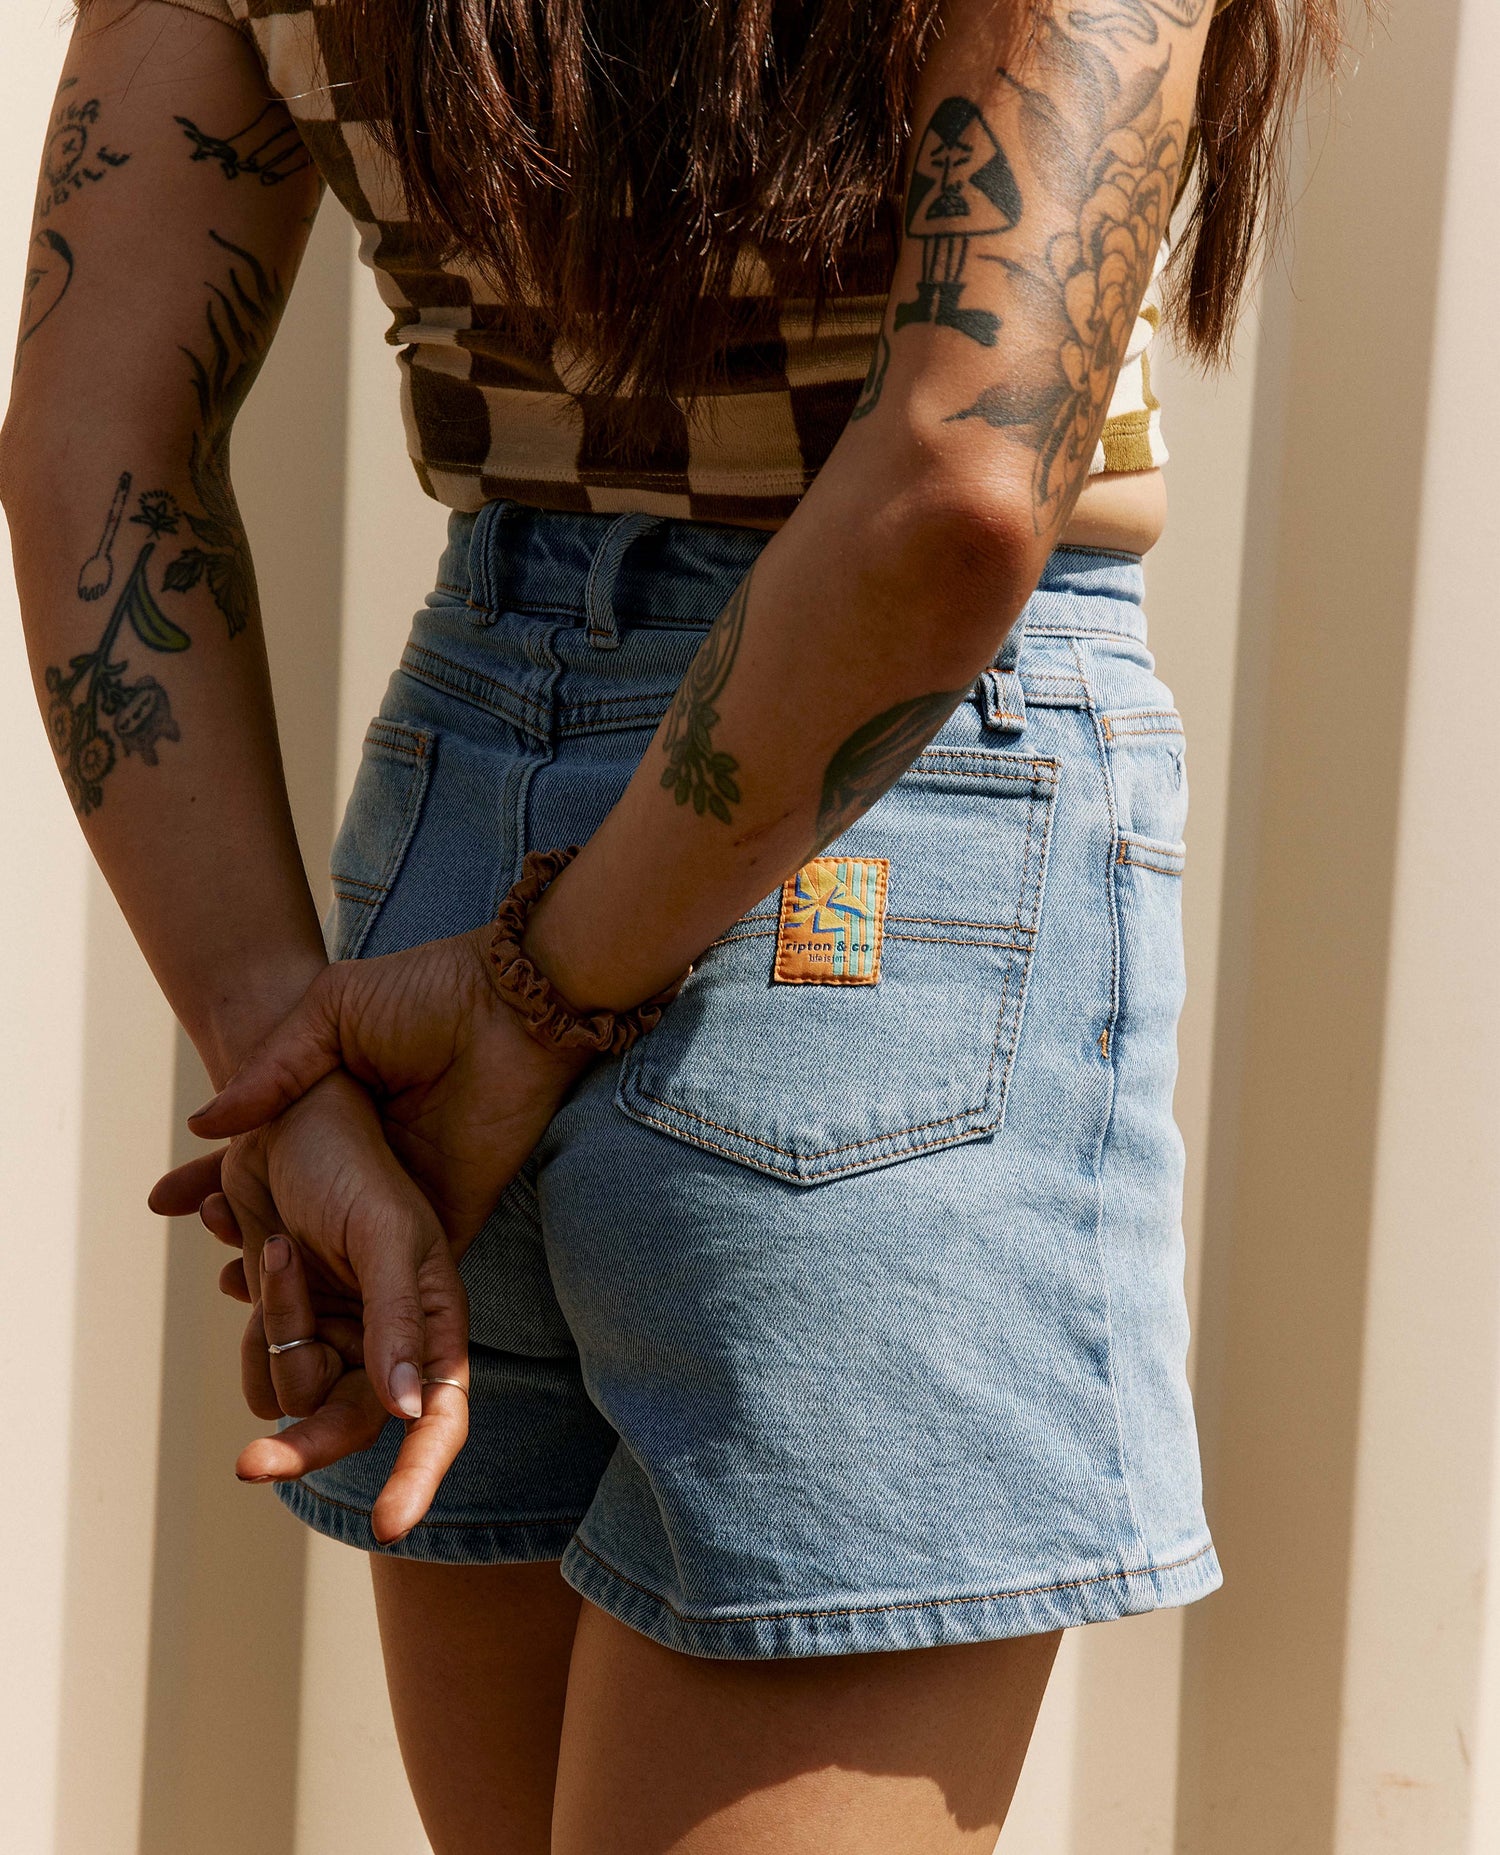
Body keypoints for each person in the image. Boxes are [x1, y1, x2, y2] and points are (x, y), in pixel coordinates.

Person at [2, 0, 1356, 1847]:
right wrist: (527, 1004)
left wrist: (278, 1041)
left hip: (454, 828)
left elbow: (93, 438)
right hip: (877, 827)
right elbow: (963, 484)